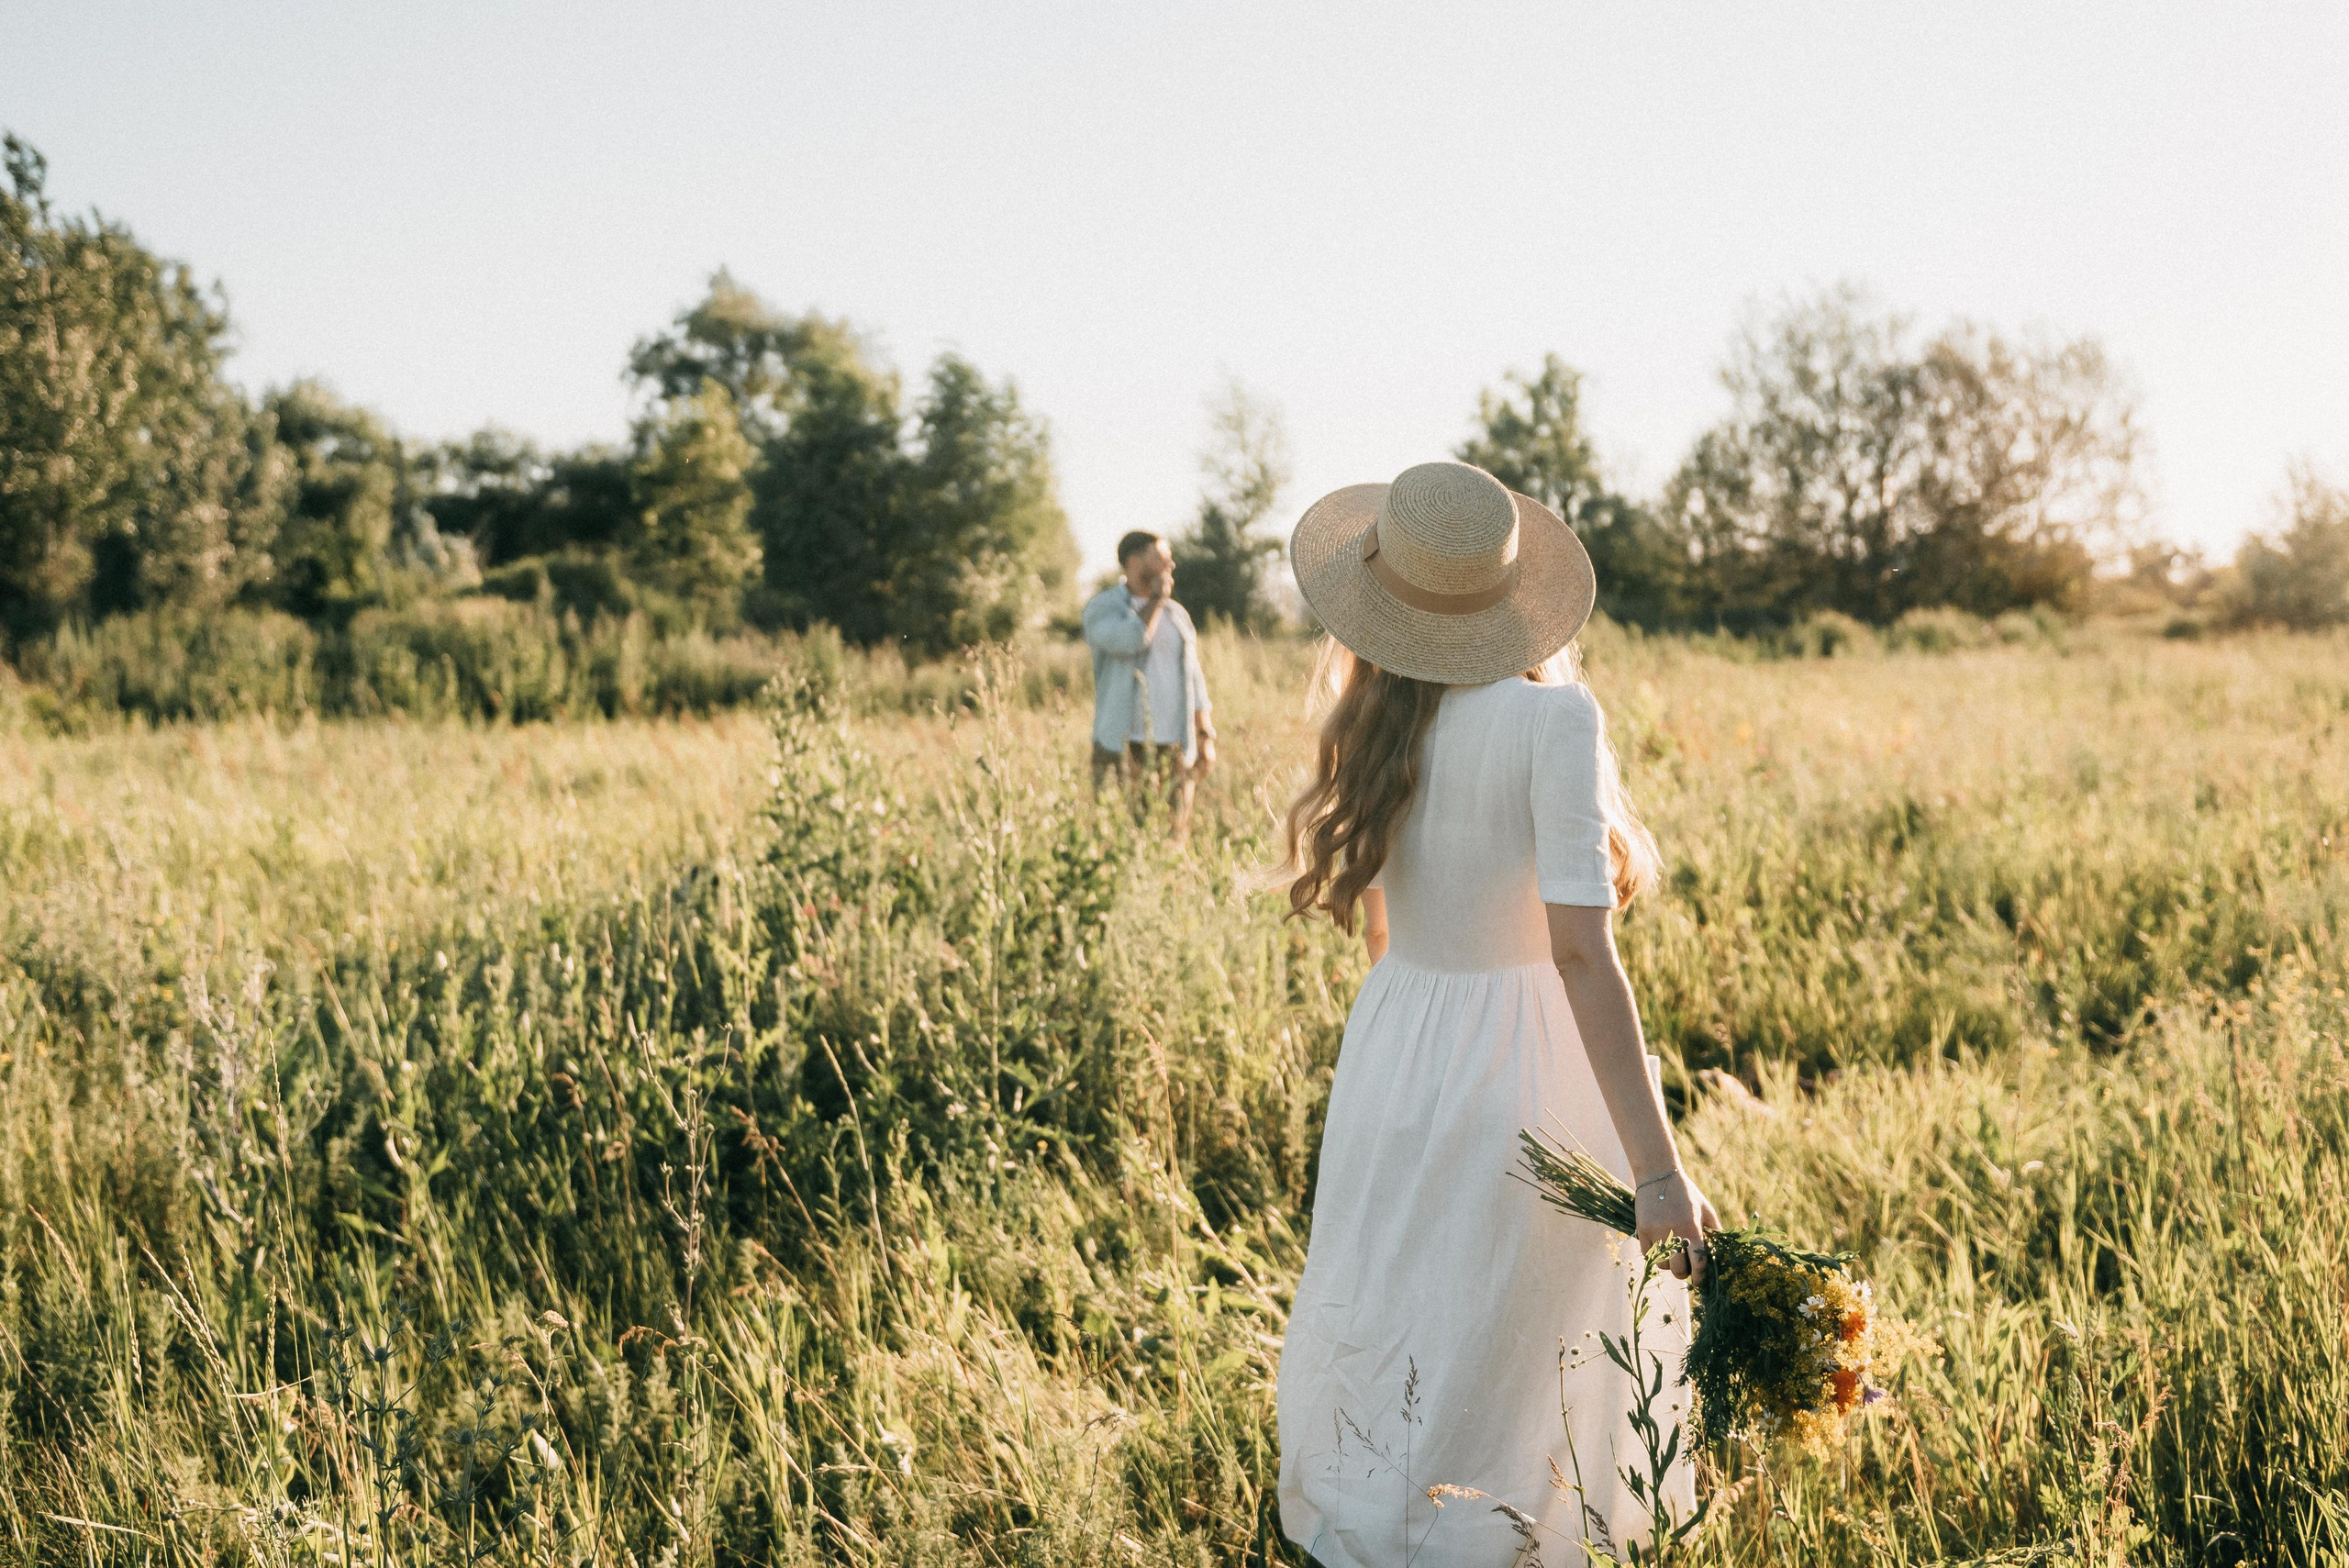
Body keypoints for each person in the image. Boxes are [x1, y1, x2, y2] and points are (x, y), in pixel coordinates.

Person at [1274, 462, 1720, 1564]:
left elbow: (1385, 926)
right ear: (1508, 599)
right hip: (1524, 1054)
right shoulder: (1552, 718)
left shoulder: (1371, 722)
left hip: (1395, 1042)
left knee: (1407, 1301)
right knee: (1525, 1325)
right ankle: (1505, 1537)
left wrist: (1415, 1048)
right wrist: (1657, 1170)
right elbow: (1578, 951)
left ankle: (1390, 1529)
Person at [1082, 530, 1216, 833]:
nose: (1170, 563)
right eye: (1159, 556)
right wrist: (1157, 599)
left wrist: (1205, 734)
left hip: (1174, 744)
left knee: (1173, 835)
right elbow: (1132, 639)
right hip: (1121, 744)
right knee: (1118, 835)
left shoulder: (1177, 614)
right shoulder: (1102, 608)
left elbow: (1194, 677)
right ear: (1133, 561)